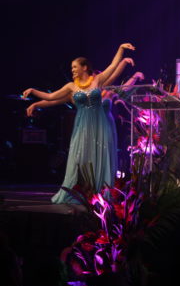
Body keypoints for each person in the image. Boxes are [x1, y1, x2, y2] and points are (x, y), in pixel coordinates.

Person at [22, 43, 136, 203]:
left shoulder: (97, 80)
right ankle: (81, 189)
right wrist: (33, 93)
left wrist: (121, 49)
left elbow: (113, 66)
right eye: (72, 67)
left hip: (100, 125)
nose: (72, 70)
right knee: (81, 157)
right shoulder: (71, 87)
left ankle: (100, 191)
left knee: (99, 155)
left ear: (84, 67)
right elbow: (51, 98)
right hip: (82, 126)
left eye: (75, 67)